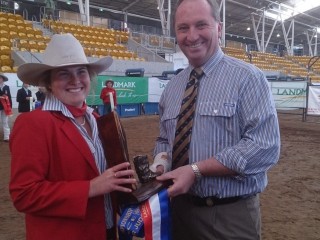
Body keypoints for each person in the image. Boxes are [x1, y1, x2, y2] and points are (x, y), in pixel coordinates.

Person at [150, 0, 281, 239]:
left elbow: (264, 147)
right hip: (177, 210)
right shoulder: (172, 87)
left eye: (201, 25)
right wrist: (161, 163)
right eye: (183, 28)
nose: (192, 36)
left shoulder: (248, 78)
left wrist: (196, 170)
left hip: (228, 216)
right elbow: (163, 139)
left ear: (219, 28)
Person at [9, 33, 136, 240]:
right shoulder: (33, 123)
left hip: (107, 231)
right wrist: (90, 187)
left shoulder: (96, 118)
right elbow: (24, 195)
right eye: (64, 74)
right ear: (48, 82)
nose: (76, 80)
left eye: (81, 72)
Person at [0, 72, 12, 142]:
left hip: (5, 107)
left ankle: (7, 137)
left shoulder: (7, 87)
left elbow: (9, 97)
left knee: (5, 122)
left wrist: (10, 107)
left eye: (0, 78)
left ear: (3, 79)